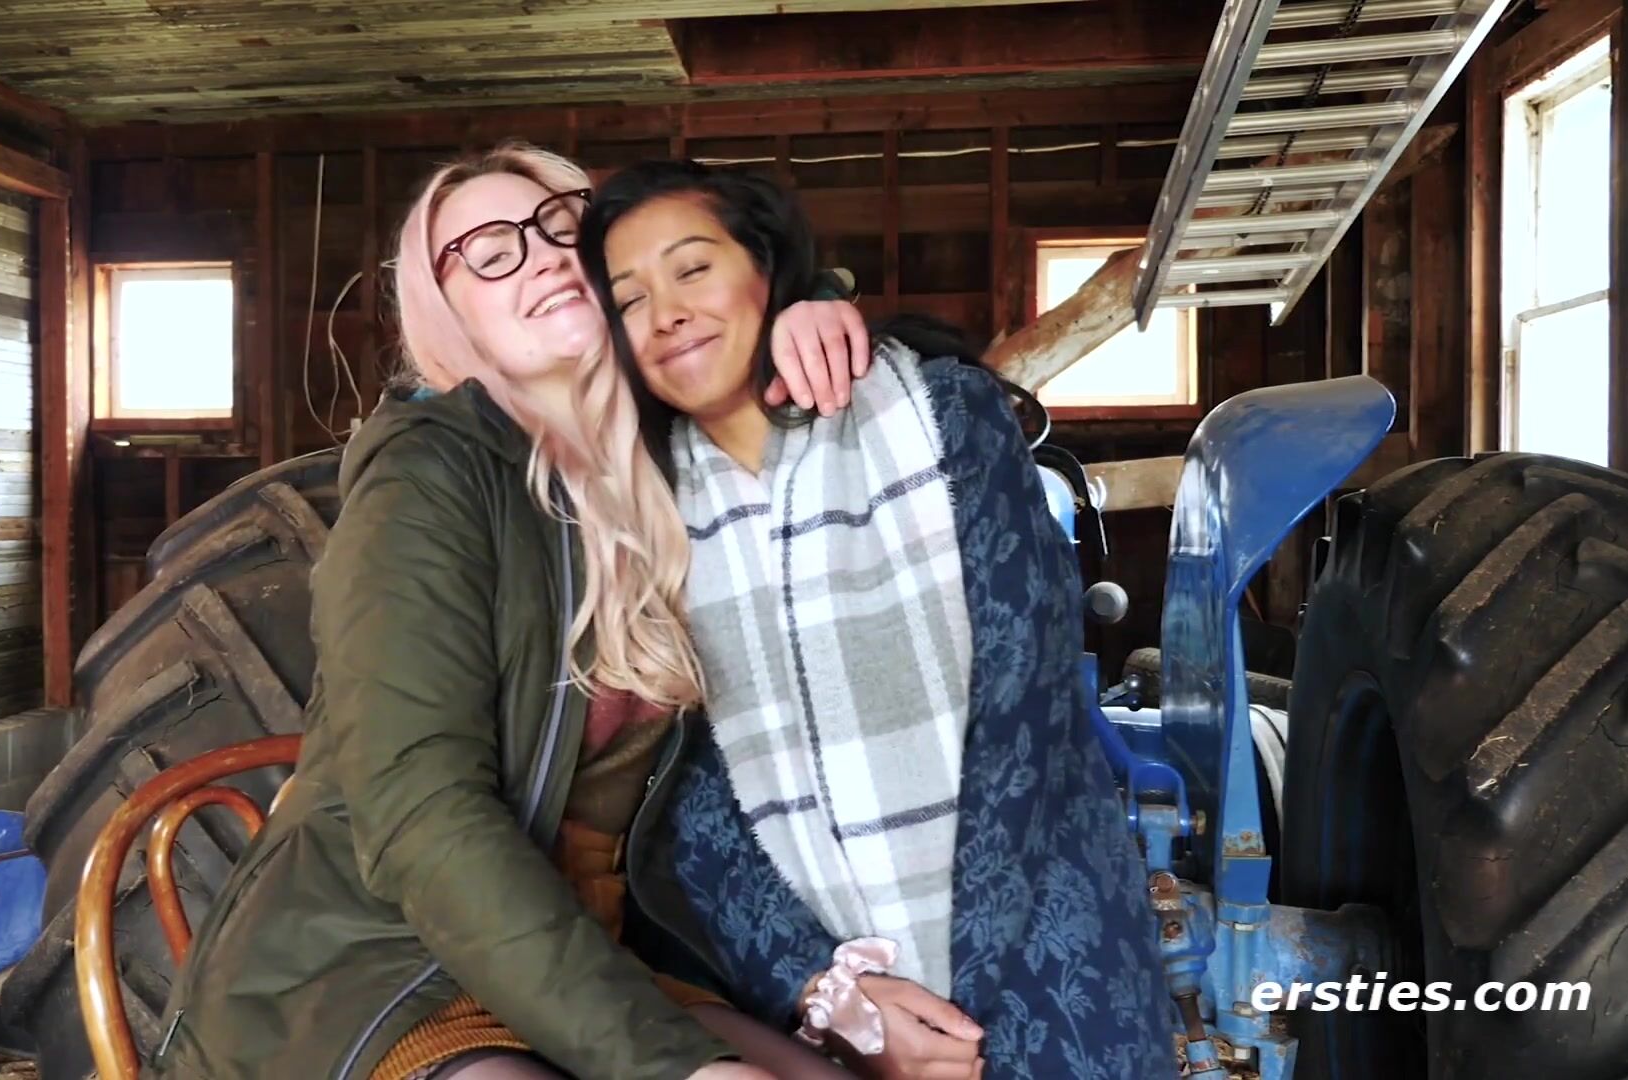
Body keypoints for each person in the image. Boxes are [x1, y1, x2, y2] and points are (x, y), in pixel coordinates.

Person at [150, 143, 869, 1080]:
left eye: (562, 227)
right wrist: (678, 1066)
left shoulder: (663, 460)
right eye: (490, 253)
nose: (540, 257)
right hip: (378, 959)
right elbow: (422, 814)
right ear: (450, 317)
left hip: (578, 945)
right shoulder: (425, 475)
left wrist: (807, 307)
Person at [575, 160, 1180, 1080]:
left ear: (768, 269)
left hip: (1046, 951)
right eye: (629, 300)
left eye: (693, 269)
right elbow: (690, 800)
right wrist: (835, 996)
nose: (666, 313)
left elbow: (1025, 699)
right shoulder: (644, 518)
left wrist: (950, 995)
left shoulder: (942, 415)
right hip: (827, 1013)